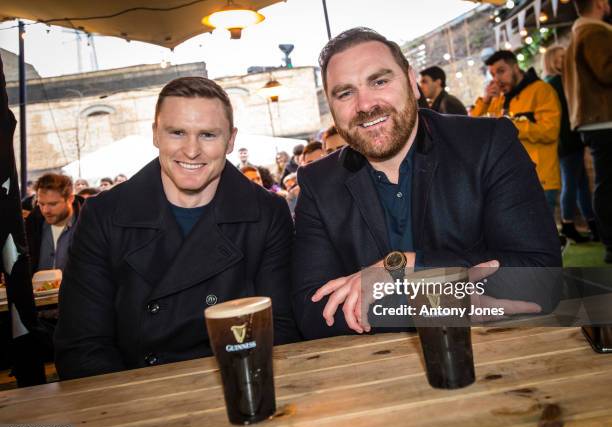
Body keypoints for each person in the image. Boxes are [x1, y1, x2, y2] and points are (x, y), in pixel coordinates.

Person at [292, 28, 561, 340]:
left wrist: (402, 267)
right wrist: (444, 299)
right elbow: (315, 315)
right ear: (331, 106)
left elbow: (540, 280)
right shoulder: (318, 182)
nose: (365, 105)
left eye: (379, 81)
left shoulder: (487, 145)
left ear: (411, 81)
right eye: (345, 93)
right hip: (377, 373)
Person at [55, 77, 300, 380]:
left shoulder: (268, 214)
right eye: (177, 132)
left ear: (231, 139)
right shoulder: (103, 216)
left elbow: (281, 330)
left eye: (208, 134)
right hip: (137, 398)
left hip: (239, 386)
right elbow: (82, 346)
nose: (192, 150)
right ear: (156, 133)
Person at [471, 50, 561, 214]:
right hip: (508, 178)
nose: (497, 79)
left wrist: (511, 125)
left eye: (501, 71)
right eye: (493, 74)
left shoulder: (541, 90)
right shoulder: (499, 99)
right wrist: (485, 101)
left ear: (515, 67)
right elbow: (473, 127)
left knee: (541, 236)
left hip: (540, 178)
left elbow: (550, 132)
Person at [563, 0, 612, 262]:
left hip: (593, 121)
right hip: (605, 119)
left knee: (603, 184)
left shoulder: (577, 36)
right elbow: (607, 72)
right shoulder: (594, 32)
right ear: (599, 3)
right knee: (606, 185)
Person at [543, 46, 597, 243]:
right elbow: (563, 117)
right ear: (552, 61)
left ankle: (591, 224)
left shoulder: (553, 82)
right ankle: (568, 225)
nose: (566, 60)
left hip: (568, 141)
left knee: (580, 184)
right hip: (567, 142)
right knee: (572, 184)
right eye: (561, 58)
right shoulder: (556, 83)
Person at [25, 174, 83, 273]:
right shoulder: (32, 224)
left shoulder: (88, 225)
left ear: (70, 199)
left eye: (53, 204)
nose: (45, 210)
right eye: (41, 204)